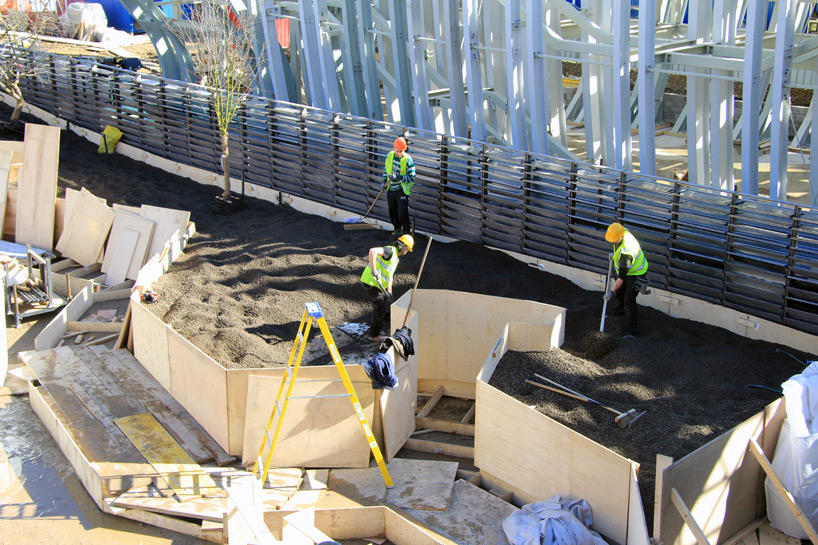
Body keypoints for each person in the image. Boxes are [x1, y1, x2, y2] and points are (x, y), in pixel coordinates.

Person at [360, 234, 414, 341]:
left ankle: (384, 321)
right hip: (371, 282)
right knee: (380, 307)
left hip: (378, 285)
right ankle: (374, 335)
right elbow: (372, 251)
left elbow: (389, 277)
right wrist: (373, 269)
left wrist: (389, 294)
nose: (406, 252)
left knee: (385, 303)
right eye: (407, 249)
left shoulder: (395, 259)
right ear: (404, 247)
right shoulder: (390, 251)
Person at [603, 222, 649, 338]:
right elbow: (619, 249)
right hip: (628, 269)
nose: (612, 243)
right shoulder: (623, 231)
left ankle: (631, 332)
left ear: (621, 237)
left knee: (629, 301)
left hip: (636, 273)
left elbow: (622, 278)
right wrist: (614, 255)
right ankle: (619, 315)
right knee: (620, 293)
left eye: (613, 241)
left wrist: (611, 292)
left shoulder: (626, 254)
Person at [382, 136, 416, 235]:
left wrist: (398, 176)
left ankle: (406, 233)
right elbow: (385, 170)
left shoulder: (408, 160)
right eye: (397, 151)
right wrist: (384, 181)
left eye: (401, 151)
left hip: (401, 189)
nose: (399, 153)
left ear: (404, 150)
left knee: (402, 212)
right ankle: (397, 229)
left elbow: (412, 177)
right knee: (392, 211)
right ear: (394, 148)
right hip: (391, 188)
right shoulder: (389, 156)